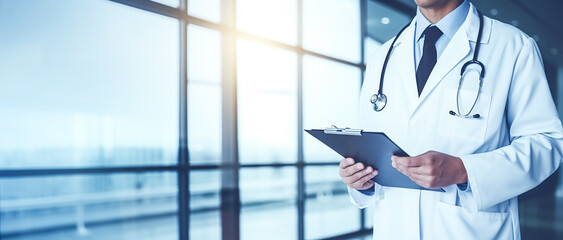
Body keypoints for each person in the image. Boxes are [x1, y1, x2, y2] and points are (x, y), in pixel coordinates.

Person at [339, 0, 563, 239]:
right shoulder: (382, 57)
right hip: (395, 228)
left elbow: (546, 143)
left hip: (469, 230)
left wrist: (463, 170)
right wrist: (359, 179)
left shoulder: (513, 46)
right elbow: (370, 147)